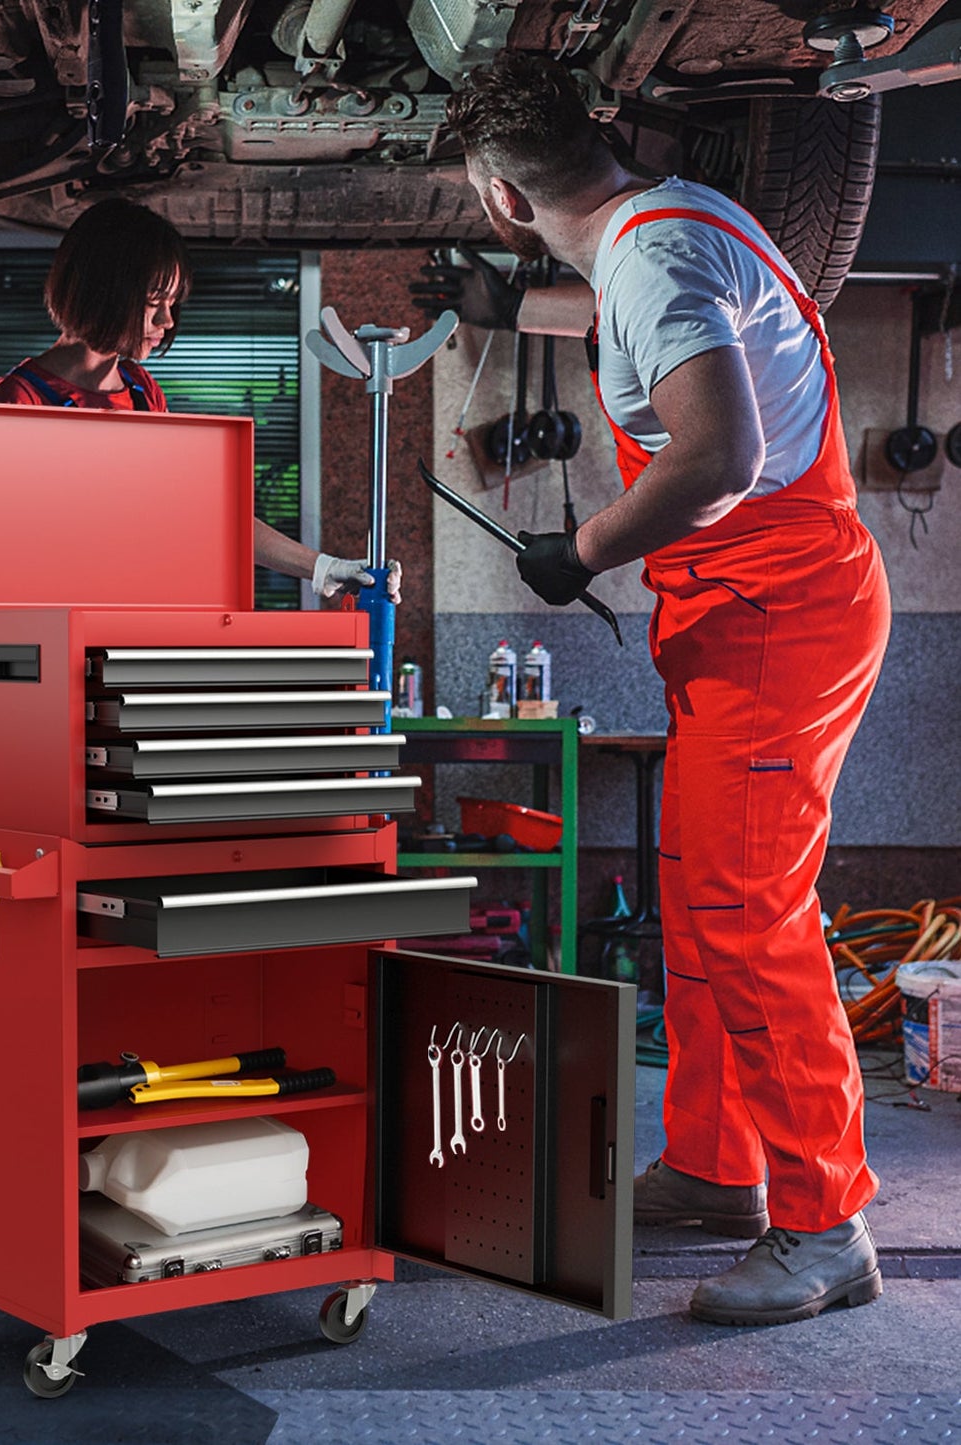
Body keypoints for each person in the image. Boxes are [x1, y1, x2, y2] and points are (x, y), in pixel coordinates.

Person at [428, 53, 891, 1327]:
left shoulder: (648, 264)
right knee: (697, 902)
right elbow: (654, 330)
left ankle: (821, 1220)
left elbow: (720, 450)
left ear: (499, 199)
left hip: (774, 616)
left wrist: (572, 551)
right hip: (743, 614)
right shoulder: (668, 218)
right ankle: (712, 1163)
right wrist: (505, 309)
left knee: (749, 918)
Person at [0, 197, 400, 605]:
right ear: (104, 289)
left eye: (172, 304)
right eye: (154, 301)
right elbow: (17, 556)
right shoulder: (20, 399)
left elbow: (204, 514)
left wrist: (324, 568)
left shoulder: (141, 392)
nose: (167, 322)